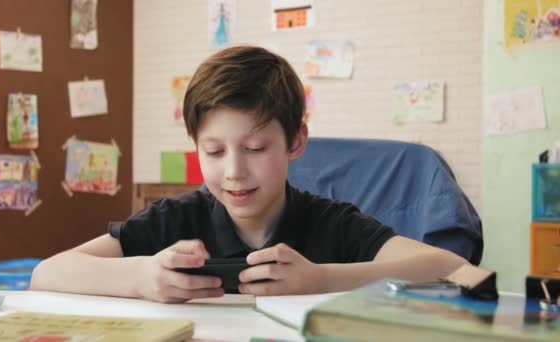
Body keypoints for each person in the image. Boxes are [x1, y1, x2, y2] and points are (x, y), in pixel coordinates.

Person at [30, 46, 468, 303]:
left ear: (295, 142)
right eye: (214, 151)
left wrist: (323, 279)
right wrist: (143, 277)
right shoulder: (175, 220)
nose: (234, 172)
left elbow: (455, 268)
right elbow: (46, 273)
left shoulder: (330, 222)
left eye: (256, 148)